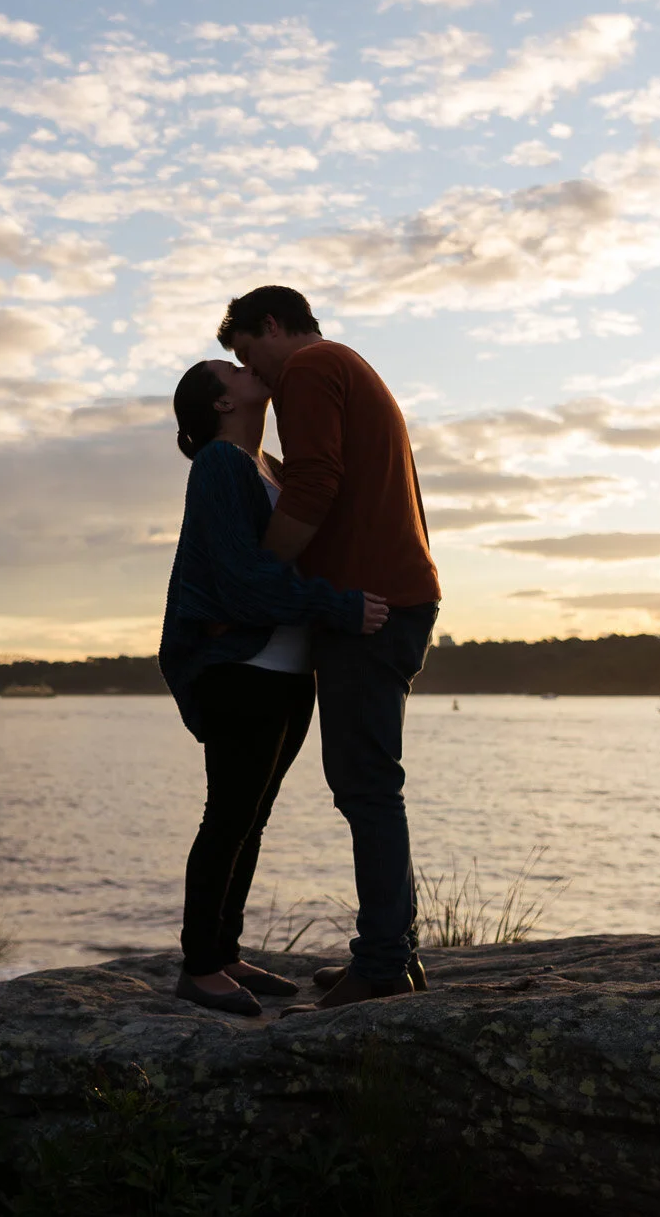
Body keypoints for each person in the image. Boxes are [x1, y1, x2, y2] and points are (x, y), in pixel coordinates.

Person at [218, 285, 442, 1012]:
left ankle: (381, 962)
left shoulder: (310, 369)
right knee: (370, 783)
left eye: (251, 355)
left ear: (274, 325)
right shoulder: (348, 368)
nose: (257, 376)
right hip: (396, 598)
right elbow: (334, 483)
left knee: (366, 785)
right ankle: (391, 953)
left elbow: (317, 485)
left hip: (370, 611)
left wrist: (255, 575)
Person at [159, 356, 390, 1017]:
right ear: (222, 403)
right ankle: (199, 967)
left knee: (251, 818)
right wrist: (340, 606)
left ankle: (225, 951)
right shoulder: (219, 465)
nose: (245, 368)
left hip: (288, 671)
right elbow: (239, 580)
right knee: (226, 817)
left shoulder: (269, 467)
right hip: (240, 670)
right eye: (228, 370)